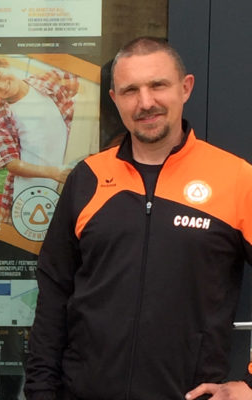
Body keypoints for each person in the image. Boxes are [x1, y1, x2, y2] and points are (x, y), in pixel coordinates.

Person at [24, 36, 252, 399]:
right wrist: (39, 391)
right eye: (130, 90)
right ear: (115, 100)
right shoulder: (87, 178)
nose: (145, 102)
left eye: (158, 85)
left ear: (185, 87)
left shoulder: (236, 179)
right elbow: (53, 297)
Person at [0, 56, 76, 223]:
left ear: (4, 65)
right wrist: (55, 173)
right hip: (32, 194)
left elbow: (84, 81)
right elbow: (12, 164)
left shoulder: (45, 81)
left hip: (67, 181)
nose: (2, 86)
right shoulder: (2, 117)